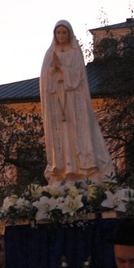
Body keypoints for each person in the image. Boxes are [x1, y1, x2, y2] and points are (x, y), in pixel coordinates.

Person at [39, 20, 115, 184]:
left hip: (74, 100)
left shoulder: (75, 52)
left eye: (63, 32)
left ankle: (82, 168)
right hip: (57, 100)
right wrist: (52, 70)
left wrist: (62, 69)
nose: (61, 36)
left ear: (69, 34)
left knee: (76, 132)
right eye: (58, 33)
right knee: (62, 134)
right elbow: (44, 78)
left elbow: (79, 75)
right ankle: (64, 169)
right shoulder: (50, 53)